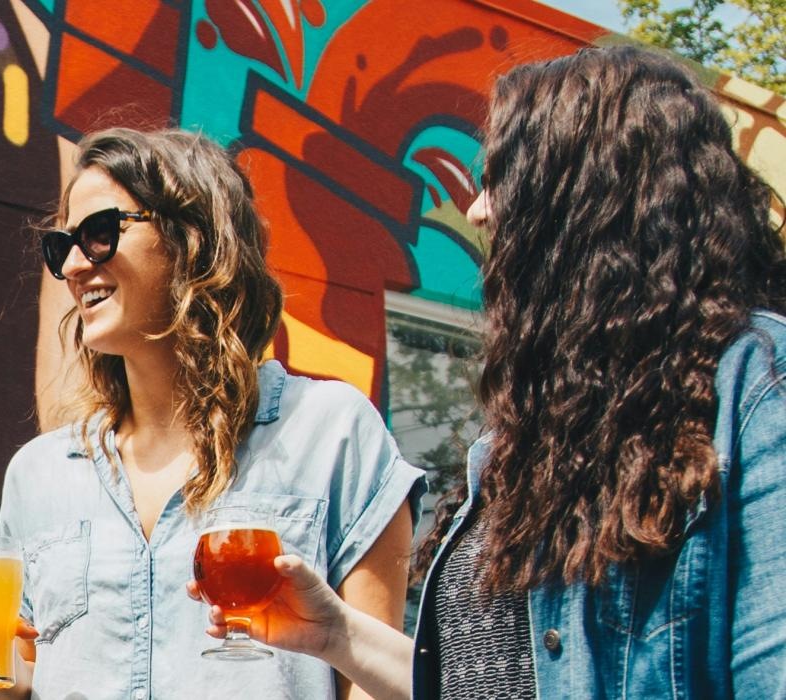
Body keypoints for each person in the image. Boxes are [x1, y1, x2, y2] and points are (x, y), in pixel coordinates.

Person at [189, 45, 786, 700]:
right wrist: (332, 632)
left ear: (586, 200)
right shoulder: (527, 441)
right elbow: (487, 680)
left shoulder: (752, 388)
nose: (477, 210)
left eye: (502, 177)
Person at [0, 127, 425, 698]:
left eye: (98, 234)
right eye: (60, 247)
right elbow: (26, 678)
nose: (71, 266)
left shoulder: (331, 433)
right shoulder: (39, 474)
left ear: (192, 237)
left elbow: (379, 686)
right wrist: (2, 680)